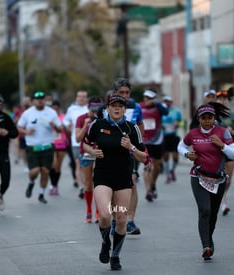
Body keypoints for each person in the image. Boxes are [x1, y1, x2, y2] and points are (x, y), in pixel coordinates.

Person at [83, 95, 148, 270]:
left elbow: (144, 157)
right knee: (104, 215)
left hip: (123, 178)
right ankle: (105, 242)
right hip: (103, 176)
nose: (117, 109)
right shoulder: (97, 125)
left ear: (125, 109)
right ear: (108, 108)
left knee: (120, 218)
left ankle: (115, 255)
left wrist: (131, 147)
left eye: (120, 106)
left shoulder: (132, 128)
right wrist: (93, 152)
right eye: (113, 106)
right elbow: (85, 144)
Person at [177, 102, 234, 260]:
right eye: (203, 118)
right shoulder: (193, 134)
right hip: (198, 176)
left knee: (213, 213)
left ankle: (209, 239)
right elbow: (181, 146)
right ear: (199, 119)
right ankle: (205, 245)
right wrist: (187, 154)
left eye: (209, 117)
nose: (206, 120)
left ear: (214, 118)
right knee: (204, 210)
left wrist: (222, 145)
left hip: (218, 179)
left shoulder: (223, 132)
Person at [98, 78, 144, 235]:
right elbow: (98, 129)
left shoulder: (135, 106)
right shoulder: (105, 108)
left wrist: (138, 146)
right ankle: (113, 218)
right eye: (121, 92)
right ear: (114, 92)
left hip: (129, 151)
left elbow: (140, 125)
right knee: (111, 188)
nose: (125, 96)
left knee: (132, 182)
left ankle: (130, 220)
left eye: (127, 93)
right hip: (109, 153)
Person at [17, 91, 62, 204]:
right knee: (34, 171)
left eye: (42, 98)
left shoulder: (51, 112)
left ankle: (41, 194)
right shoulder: (27, 113)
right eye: (37, 99)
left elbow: (60, 129)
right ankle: (31, 182)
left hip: (47, 146)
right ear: (33, 101)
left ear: (45, 100)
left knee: (45, 171)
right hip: (33, 147)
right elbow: (19, 127)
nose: (40, 100)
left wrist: (54, 127)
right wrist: (26, 131)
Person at [216, 88, 234, 216]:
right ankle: (223, 203)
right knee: (220, 177)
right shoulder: (212, 115)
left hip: (230, 149)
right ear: (216, 100)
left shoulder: (233, 116)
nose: (223, 101)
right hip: (216, 150)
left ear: (228, 101)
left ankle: (223, 195)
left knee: (228, 180)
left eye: (225, 99)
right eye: (220, 98)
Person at [76, 96, 103, 223]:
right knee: (88, 184)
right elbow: (77, 139)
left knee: (98, 182)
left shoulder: (103, 119)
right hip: (86, 152)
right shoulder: (81, 119)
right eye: (93, 107)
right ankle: (88, 210)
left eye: (98, 107)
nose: (95, 110)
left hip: (99, 153)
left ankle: (98, 211)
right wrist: (85, 125)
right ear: (89, 107)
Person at [140, 88, 168, 201]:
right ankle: (148, 191)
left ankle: (153, 184)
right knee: (148, 166)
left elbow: (166, 112)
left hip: (157, 140)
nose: (147, 100)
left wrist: (156, 103)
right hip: (145, 141)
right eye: (146, 97)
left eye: (150, 98)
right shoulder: (140, 106)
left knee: (156, 166)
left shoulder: (160, 107)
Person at [63, 90, 89, 198]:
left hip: (89, 142)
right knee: (78, 164)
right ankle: (81, 187)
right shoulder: (71, 109)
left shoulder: (90, 108)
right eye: (79, 96)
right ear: (76, 98)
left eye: (84, 97)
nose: (81, 98)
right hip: (76, 142)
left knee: (87, 165)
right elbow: (64, 121)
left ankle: (87, 184)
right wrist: (67, 124)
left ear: (87, 98)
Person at [49, 99, 69, 195]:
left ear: (59, 108)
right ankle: (52, 185)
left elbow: (65, 129)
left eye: (57, 109)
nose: (55, 111)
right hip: (50, 143)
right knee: (52, 165)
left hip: (61, 143)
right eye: (54, 109)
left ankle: (55, 186)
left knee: (58, 167)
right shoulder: (48, 117)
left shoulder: (63, 117)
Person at [162, 95, 183, 184]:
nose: (167, 103)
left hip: (174, 136)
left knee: (175, 157)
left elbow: (181, 122)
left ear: (171, 102)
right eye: (166, 101)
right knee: (165, 156)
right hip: (164, 136)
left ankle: (172, 170)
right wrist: (160, 126)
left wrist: (178, 124)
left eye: (169, 101)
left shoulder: (176, 111)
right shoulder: (161, 110)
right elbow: (157, 121)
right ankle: (168, 176)